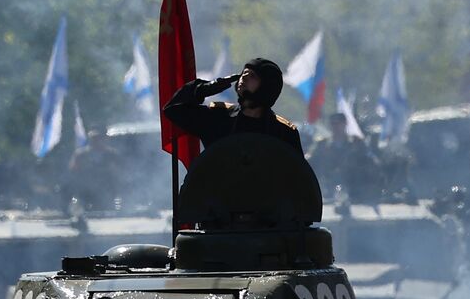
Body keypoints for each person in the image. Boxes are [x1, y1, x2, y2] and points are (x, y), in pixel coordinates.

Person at [162, 58, 303, 154]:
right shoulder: (217, 118)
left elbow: (296, 177)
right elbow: (173, 109)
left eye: (252, 76)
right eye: (244, 73)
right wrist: (206, 88)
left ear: (267, 87)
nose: (244, 77)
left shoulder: (283, 133)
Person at [309, 113, 385, 203]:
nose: (336, 127)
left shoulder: (356, 143)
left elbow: (371, 163)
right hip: (327, 189)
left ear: (345, 124)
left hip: (354, 189)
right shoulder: (322, 144)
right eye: (333, 124)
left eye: (339, 124)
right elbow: (310, 163)